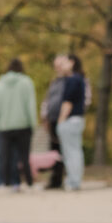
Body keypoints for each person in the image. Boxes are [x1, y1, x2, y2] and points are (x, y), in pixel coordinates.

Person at [0, 58, 37, 192]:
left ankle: (8, 183)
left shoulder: (0, 84)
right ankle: (29, 183)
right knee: (24, 156)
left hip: (5, 125)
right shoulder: (26, 82)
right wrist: (32, 124)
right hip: (23, 124)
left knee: (6, 156)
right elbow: (30, 105)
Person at [56, 54, 87, 191]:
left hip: (71, 120)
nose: (61, 66)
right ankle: (74, 180)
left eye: (64, 62)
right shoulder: (80, 79)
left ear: (72, 63)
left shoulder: (73, 80)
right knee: (75, 151)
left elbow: (67, 103)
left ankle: (73, 181)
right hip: (77, 120)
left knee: (71, 152)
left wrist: (61, 121)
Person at [40, 55, 69, 190]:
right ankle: (56, 179)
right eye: (56, 65)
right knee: (54, 152)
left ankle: (68, 178)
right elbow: (47, 100)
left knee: (66, 150)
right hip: (52, 120)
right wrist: (44, 116)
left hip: (65, 119)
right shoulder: (55, 82)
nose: (58, 68)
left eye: (60, 64)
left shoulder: (73, 80)